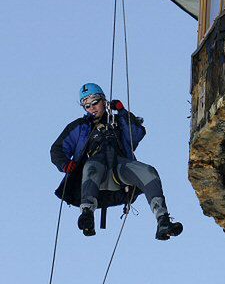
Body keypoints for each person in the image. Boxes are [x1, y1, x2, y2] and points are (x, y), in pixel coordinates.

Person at [50, 83, 183, 240]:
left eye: (95, 103)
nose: (92, 108)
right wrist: (65, 164)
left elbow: (136, 134)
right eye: (87, 106)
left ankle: (163, 219)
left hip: (118, 171)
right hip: (95, 174)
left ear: (104, 101)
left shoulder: (118, 121)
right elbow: (58, 149)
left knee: (148, 172)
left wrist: (121, 111)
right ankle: (87, 214)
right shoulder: (80, 127)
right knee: (92, 166)